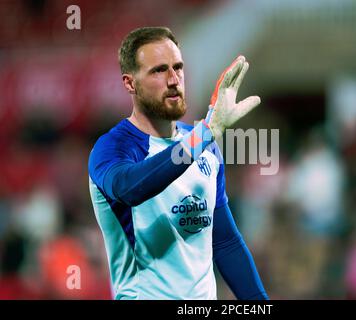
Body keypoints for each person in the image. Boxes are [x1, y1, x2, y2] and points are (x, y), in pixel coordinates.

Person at [88, 26, 268, 300]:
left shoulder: (204, 146)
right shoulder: (112, 148)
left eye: (178, 67)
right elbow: (129, 188)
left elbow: (225, 242)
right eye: (159, 70)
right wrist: (204, 135)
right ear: (129, 83)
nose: (173, 79)